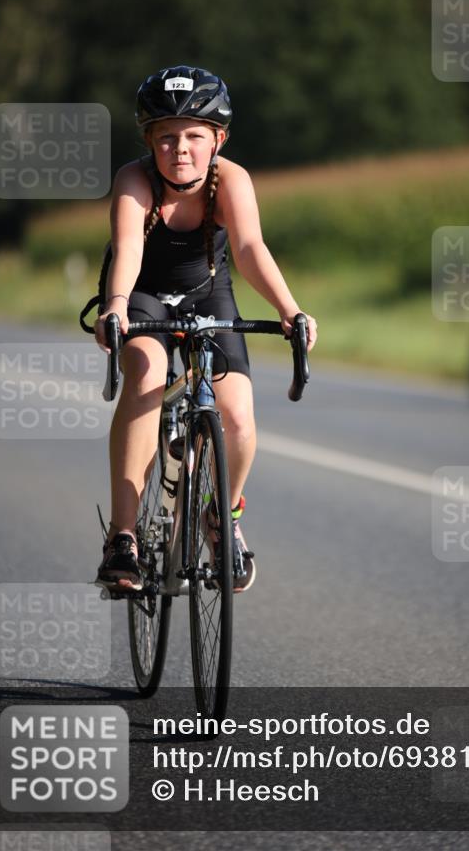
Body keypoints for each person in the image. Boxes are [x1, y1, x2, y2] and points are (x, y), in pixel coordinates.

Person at [94, 65, 317, 593]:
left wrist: (290, 309)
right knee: (146, 377)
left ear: (219, 139)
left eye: (194, 136)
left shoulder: (231, 179)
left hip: (207, 292)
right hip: (141, 294)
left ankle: (222, 519)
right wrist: (116, 306)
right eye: (166, 137)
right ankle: (123, 538)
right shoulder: (135, 180)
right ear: (149, 141)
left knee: (236, 414)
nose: (180, 149)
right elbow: (128, 249)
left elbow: (249, 248)